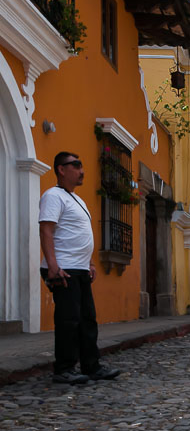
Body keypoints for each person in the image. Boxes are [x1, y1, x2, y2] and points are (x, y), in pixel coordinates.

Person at [39, 151, 120, 385]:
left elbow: (80, 235)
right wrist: (53, 265)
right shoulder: (53, 196)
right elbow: (46, 230)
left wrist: (90, 262)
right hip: (63, 268)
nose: (81, 170)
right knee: (69, 320)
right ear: (61, 169)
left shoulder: (77, 199)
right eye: (75, 165)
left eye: (81, 164)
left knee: (87, 320)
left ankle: (91, 366)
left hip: (79, 268)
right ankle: (64, 369)